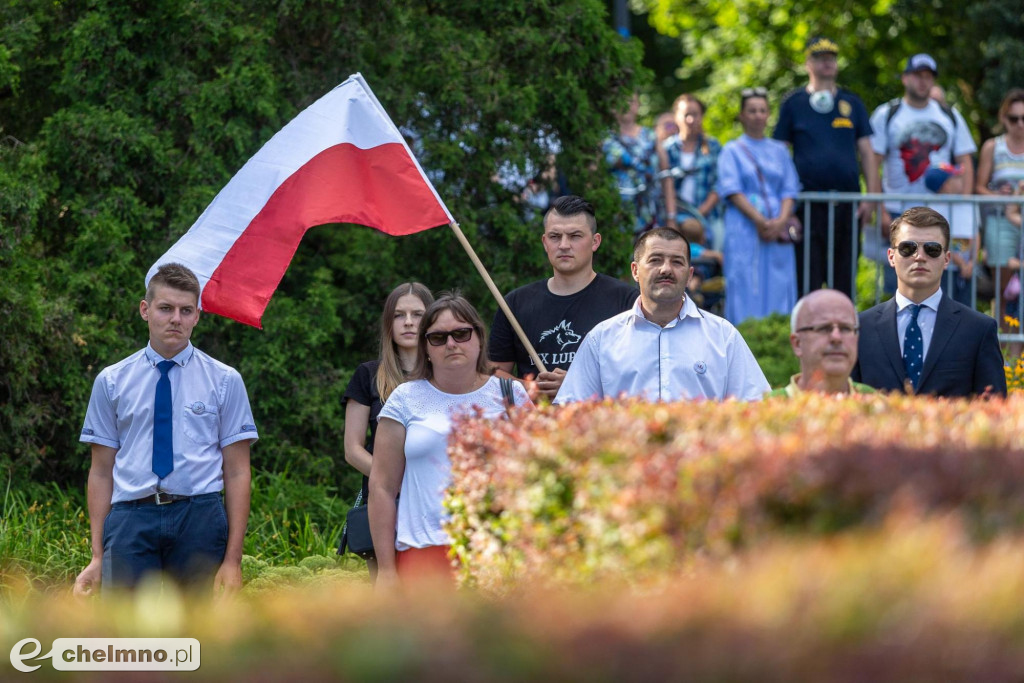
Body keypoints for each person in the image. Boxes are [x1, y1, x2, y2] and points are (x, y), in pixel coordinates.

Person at [74, 263, 258, 596]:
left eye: (186, 310)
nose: (176, 318)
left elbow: (237, 472)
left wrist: (233, 560)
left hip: (199, 515)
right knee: (123, 631)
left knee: (198, 632)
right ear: (145, 310)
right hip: (131, 517)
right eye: (166, 308)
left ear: (197, 315)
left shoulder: (225, 381)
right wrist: (98, 556)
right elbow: (101, 472)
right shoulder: (112, 381)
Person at [369, 293, 532, 587]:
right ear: (425, 348)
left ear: (479, 338)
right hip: (422, 556)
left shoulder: (511, 396)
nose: (451, 344)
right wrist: (386, 571)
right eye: (438, 338)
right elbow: (381, 487)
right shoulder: (404, 399)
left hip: (496, 552)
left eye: (461, 333)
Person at [553, 227, 769, 403]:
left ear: (689, 274)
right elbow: (574, 412)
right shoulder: (602, 339)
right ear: (635, 271)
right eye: (655, 260)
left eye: (677, 262)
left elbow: (755, 407)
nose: (666, 269)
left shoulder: (723, 336)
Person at [488, 195, 638, 400]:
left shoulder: (627, 301)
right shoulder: (515, 304)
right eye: (555, 236)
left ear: (595, 241)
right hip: (533, 427)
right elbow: (492, 373)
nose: (564, 245)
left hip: (602, 426)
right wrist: (530, 389)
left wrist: (577, 385)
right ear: (544, 242)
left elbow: (641, 373)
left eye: (575, 236)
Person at [851, 207, 1007, 397]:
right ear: (891, 256)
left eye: (932, 249)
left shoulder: (979, 330)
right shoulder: (861, 328)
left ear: (946, 259)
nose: (919, 256)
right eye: (908, 248)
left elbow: (994, 408)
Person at [341, 282, 434, 581]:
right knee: (388, 590)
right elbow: (353, 450)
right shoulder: (367, 375)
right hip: (384, 502)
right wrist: (393, 479)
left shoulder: (445, 377)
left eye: (417, 314)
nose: (408, 322)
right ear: (388, 323)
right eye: (399, 315)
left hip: (432, 501)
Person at [773, 36, 878, 297]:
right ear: (809, 63)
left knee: (844, 278)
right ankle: (807, 335)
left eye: (831, 58)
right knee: (807, 277)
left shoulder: (852, 103)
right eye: (820, 58)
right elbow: (779, 156)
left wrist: (871, 198)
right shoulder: (793, 103)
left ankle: (842, 334)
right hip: (806, 206)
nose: (827, 63)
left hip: (847, 206)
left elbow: (867, 152)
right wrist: (784, 208)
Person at [866, 54, 977, 294]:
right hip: (898, 210)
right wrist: (880, 209)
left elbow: (965, 160)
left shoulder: (949, 116)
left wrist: (962, 208)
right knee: (896, 285)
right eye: (917, 75)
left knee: (941, 286)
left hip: (941, 213)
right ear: (905, 78)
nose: (923, 81)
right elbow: (873, 163)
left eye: (928, 76)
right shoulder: (888, 114)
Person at [718, 87, 801, 324]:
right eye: (752, 110)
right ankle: (745, 336)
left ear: (768, 115)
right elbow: (732, 190)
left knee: (779, 280)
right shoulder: (731, 150)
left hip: (778, 226)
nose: (757, 115)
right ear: (742, 115)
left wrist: (780, 221)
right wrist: (759, 220)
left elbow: (789, 189)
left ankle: (778, 336)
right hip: (744, 225)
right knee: (746, 280)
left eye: (762, 110)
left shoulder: (780, 151)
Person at [976, 88, 1024, 353]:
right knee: (1005, 291)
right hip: (999, 221)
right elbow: (979, 187)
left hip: (1023, 223)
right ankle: (1004, 355)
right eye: (1014, 118)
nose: (1020, 124)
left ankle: (1020, 357)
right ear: (1004, 118)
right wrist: (998, 194)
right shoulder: (993, 146)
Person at [767, 289, 875, 397]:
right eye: (824, 328)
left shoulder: (878, 404)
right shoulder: (766, 409)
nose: (836, 337)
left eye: (845, 328)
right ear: (797, 344)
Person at [659, 94, 722, 247]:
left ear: (702, 116)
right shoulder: (666, 149)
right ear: (676, 117)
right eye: (686, 114)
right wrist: (673, 217)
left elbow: (719, 184)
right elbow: (662, 187)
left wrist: (698, 215)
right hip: (673, 217)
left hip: (708, 216)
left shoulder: (713, 147)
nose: (691, 120)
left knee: (718, 249)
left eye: (695, 114)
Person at [603, 94, 658, 233]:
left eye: (630, 101)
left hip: (648, 207)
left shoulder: (650, 135)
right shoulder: (603, 137)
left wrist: (671, 215)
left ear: (638, 104)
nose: (625, 105)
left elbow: (665, 172)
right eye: (620, 100)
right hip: (615, 208)